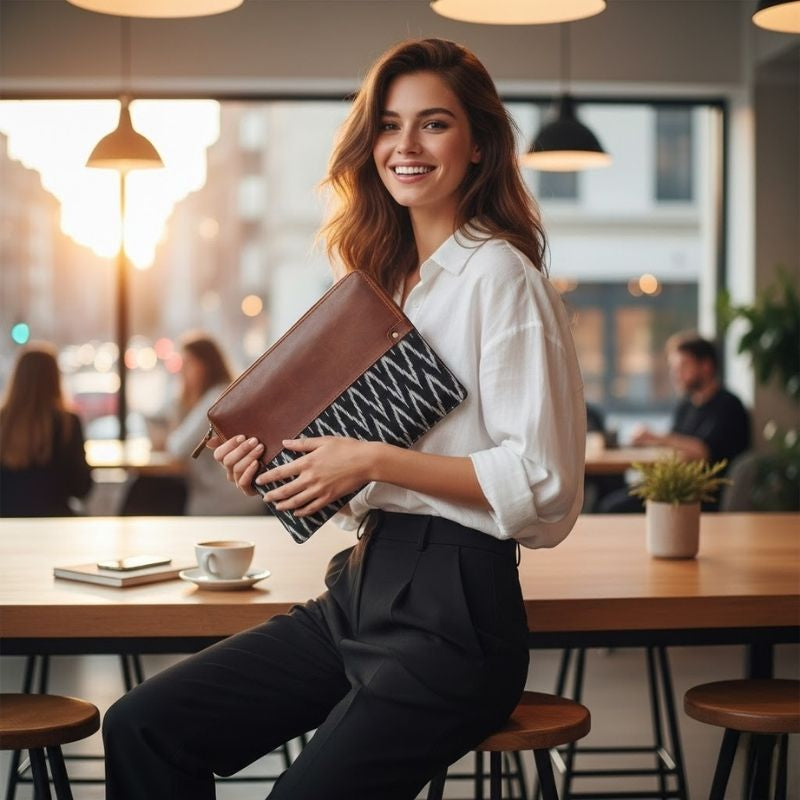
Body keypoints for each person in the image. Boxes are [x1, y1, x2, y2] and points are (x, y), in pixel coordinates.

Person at [103, 38, 586, 800]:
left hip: (454, 618)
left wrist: (370, 462)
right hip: (361, 591)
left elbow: (546, 487)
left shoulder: (501, 275)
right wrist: (286, 469)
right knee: (142, 724)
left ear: (479, 144)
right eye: (389, 126)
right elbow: (368, 489)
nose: (405, 146)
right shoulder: (390, 286)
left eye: (433, 124)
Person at [598, 333, 751, 513]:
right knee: (608, 486)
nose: (676, 374)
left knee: (612, 507)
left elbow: (702, 452)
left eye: (683, 366)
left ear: (706, 366)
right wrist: (644, 442)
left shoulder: (728, 405)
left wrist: (657, 437)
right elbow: (672, 445)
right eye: (673, 367)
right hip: (676, 487)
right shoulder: (686, 405)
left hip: (699, 494)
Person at [155, 333, 263, 516]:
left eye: (188, 363)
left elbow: (177, 447)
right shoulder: (215, 394)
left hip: (223, 500)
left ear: (204, 365)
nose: (182, 371)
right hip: (235, 497)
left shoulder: (216, 398)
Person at [0, 343, 92, 516]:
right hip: (55, 523)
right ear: (55, 378)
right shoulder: (68, 423)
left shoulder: (3, 422)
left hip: (5, 523)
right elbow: (81, 488)